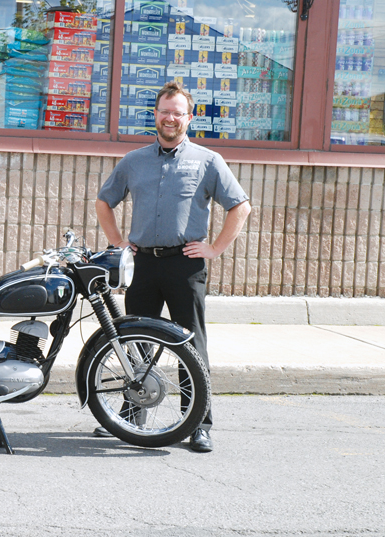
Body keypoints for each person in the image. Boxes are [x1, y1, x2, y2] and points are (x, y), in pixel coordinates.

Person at [94, 82, 251, 453]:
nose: (170, 118)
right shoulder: (134, 161)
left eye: (178, 112)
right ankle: (132, 416)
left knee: (192, 345)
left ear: (188, 117)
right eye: (165, 111)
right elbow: (104, 201)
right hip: (143, 265)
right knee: (137, 342)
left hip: (186, 265)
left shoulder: (207, 160)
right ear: (156, 115)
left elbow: (240, 206)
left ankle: (199, 424)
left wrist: (214, 248)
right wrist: (119, 242)